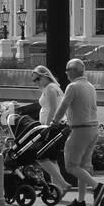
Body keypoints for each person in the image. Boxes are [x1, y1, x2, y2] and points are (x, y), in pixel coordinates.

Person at [52, 58, 104, 206]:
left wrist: (54, 121)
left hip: (80, 129)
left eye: (67, 70)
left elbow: (64, 105)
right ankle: (81, 200)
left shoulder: (73, 86)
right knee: (83, 166)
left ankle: (97, 187)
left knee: (71, 166)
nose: (66, 73)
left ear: (73, 72)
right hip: (93, 129)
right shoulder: (90, 86)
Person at [31, 64, 76, 196]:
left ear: (45, 76)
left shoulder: (50, 89)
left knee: (41, 157)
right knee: (52, 159)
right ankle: (57, 191)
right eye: (34, 81)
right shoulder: (54, 87)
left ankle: (62, 185)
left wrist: (45, 127)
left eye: (37, 79)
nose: (36, 83)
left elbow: (52, 109)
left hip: (52, 127)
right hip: (58, 127)